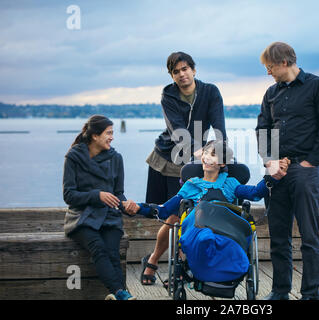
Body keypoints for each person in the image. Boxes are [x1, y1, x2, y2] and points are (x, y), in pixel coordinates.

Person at [129, 140, 286, 284]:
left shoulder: (230, 183)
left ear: (222, 162)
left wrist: (273, 176)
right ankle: (192, 260)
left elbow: (255, 193)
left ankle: (216, 259)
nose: (207, 158)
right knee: (198, 219)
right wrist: (138, 207)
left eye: (213, 155)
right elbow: (164, 211)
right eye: (205, 153)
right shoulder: (191, 185)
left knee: (215, 224)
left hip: (224, 233)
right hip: (197, 233)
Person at [256, 42, 319, 300]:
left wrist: (311, 162)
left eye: (269, 67)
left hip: (305, 170)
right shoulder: (270, 93)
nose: (268, 72)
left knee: (309, 236)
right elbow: (262, 130)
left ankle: (311, 293)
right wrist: (269, 162)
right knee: (279, 236)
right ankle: (280, 291)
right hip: (276, 172)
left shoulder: (318, 85)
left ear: (283, 63)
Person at [142, 52, 227, 284]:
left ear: (194, 70)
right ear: (172, 76)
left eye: (185, 69)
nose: (182, 74)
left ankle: (178, 268)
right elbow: (177, 129)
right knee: (174, 216)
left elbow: (219, 126)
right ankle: (155, 260)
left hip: (200, 159)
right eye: (176, 71)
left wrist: (222, 154)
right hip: (168, 159)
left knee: (191, 215)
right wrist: (194, 151)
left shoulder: (210, 92)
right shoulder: (168, 95)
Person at [63, 115, 138, 300]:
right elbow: (68, 195)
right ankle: (121, 293)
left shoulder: (116, 158)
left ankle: (118, 295)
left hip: (109, 217)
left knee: (113, 253)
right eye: (109, 133)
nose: (112, 137)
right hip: (81, 217)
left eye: (112, 132)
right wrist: (97, 195)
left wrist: (126, 205)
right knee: (98, 248)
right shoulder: (73, 157)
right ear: (95, 136)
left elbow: (118, 193)